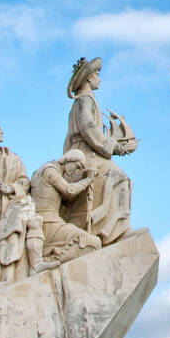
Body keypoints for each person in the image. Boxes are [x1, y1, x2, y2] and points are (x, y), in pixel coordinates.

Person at [63, 57, 139, 245]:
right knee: (118, 176)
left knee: (121, 178)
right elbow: (89, 128)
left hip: (87, 150)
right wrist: (114, 147)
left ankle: (114, 228)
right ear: (88, 78)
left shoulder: (86, 100)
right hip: (84, 152)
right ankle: (110, 231)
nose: (100, 78)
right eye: (97, 74)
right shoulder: (84, 100)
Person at [31, 151, 101, 262]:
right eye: (77, 166)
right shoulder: (50, 170)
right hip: (49, 223)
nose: (76, 171)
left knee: (92, 243)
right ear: (68, 160)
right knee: (92, 243)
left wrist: (81, 177)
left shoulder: (47, 170)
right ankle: (52, 261)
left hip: (50, 222)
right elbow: (69, 190)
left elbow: (67, 197)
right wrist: (88, 179)